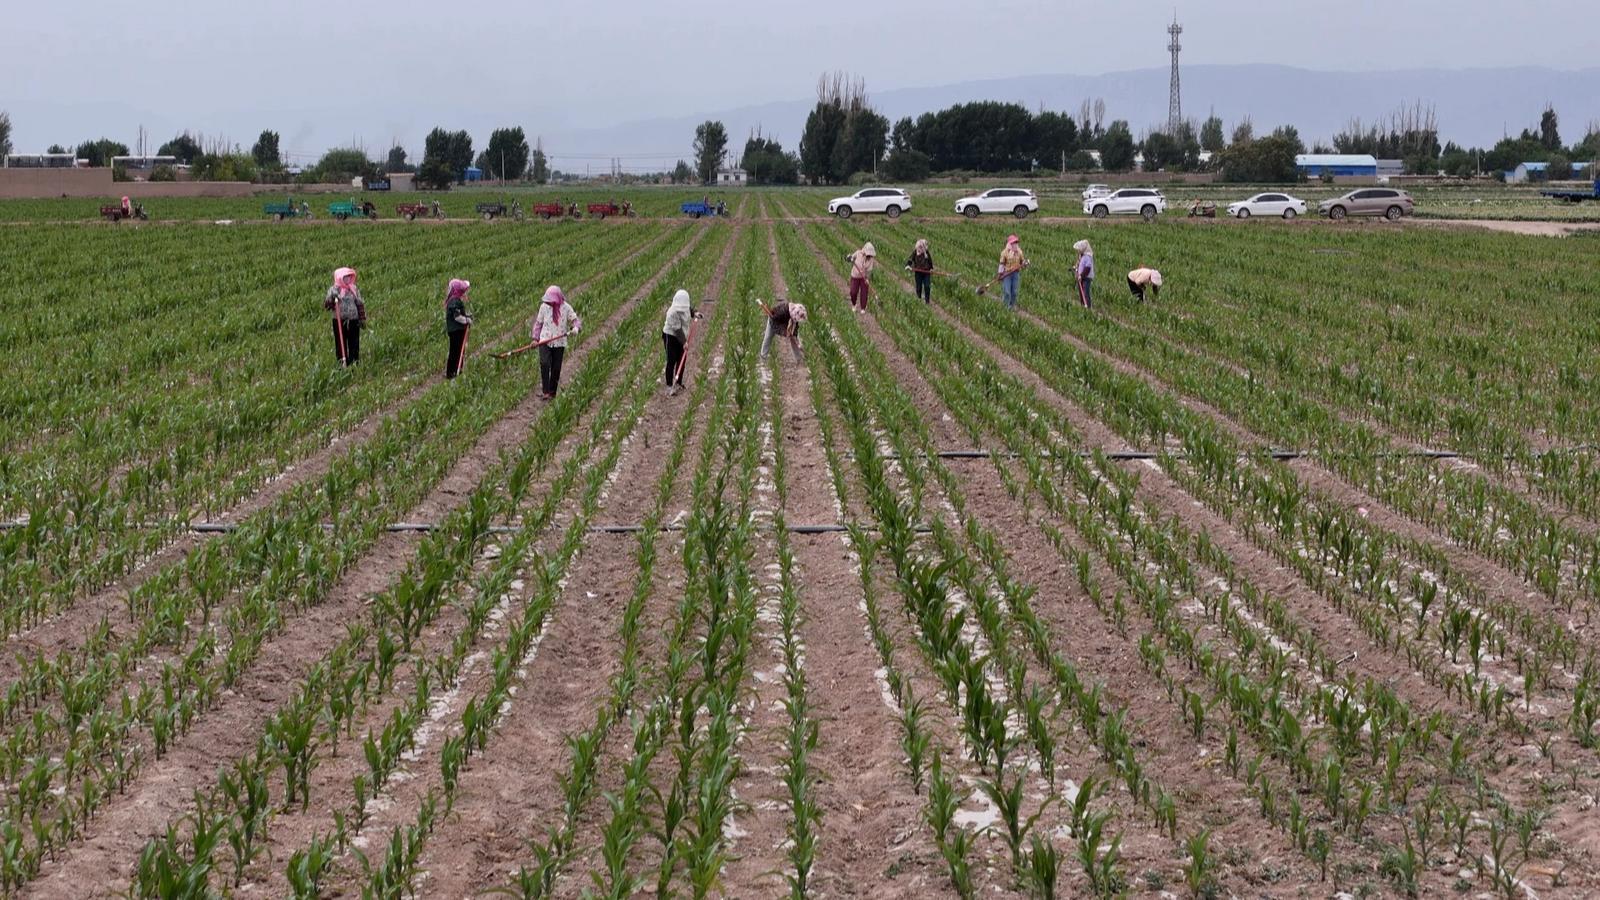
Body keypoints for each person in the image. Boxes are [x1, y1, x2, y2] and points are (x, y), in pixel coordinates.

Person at [531, 285, 581, 399]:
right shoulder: (544, 307)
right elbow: (538, 324)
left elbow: (575, 320)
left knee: (556, 368)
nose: (549, 303)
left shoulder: (566, 308)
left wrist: (576, 328)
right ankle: (545, 391)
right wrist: (535, 339)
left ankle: (552, 393)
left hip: (559, 342)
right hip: (545, 340)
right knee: (544, 363)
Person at [323, 267, 366, 366]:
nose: (347, 279)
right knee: (340, 341)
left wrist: (362, 318)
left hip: (353, 320)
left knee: (354, 341)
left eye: (349, 277)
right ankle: (342, 361)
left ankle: (354, 361)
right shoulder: (334, 290)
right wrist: (332, 298)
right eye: (345, 277)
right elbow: (327, 306)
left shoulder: (353, 289)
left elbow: (359, 303)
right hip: (338, 320)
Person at [662, 289, 698, 392]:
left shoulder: (685, 307)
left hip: (681, 336)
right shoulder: (671, 313)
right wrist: (684, 342)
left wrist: (695, 313)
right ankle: (669, 385)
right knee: (671, 360)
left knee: (682, 358)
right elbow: (677, 330)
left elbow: (689, 310)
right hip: (671, 336)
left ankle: (678, 382)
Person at [444, 278, 473, 379]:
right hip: (456, 331)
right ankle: (452, 372)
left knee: (458, 350)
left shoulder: (453, 300)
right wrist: (467, 320)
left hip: (456, 330)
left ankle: (457, 370)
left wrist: (466, 316)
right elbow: (457, 317)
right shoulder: (454, 302)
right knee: (456, 351)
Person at [998, 234, 1028, 310]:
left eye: (1016, 243)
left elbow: (1022, 262)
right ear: (1010, 244)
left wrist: (1025, 263)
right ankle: (1005, 306)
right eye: (1014, 243)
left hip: (1015, 273)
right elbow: (1001, 264)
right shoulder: (1004, 253)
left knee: (1014, 292)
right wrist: (1000, 274)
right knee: (1007, 292)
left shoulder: (1019, 252)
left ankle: (1011, 306)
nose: (1015, 244)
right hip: (1007, 274)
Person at [846, 242, 877, 313]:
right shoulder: (858, 253)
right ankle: (854, 304)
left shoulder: (871, 259)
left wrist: (867, 278)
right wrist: (849, 258)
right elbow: (850, 258)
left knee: (864, 293)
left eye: (870, 255)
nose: (869, 256)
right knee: (853, 292)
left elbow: (869, 270)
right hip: (855, 275)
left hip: (863, 277)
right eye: (868, 254)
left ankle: (863, 307)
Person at [906, 239, 935, 303]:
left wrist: (931, 268)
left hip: (926, 272)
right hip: (918, 272)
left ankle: (927, 301)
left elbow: (930, 261)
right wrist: (908, 265)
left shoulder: (926, 253)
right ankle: (918, 299)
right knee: (918, 287)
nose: (920, 248)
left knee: (927, 286)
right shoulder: (915, 252)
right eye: (919, 247)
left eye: (922, 247)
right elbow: (910, 259)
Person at [1073, 239, 1095, 309]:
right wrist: (1075, 267)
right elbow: (1080, 264)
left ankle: (1087, 306)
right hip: (1081, 277)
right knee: (1081, 292)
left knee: (1085, 292)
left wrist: (1081, 275)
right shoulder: (1081, 256)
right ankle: (1082, 305)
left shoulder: (1087, 257)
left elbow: (1087, 268)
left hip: (1086, 277)